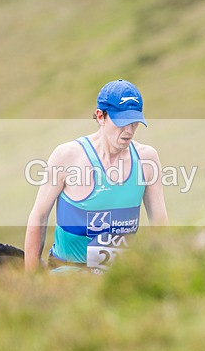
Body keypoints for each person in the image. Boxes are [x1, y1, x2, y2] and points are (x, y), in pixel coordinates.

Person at [24, 79, 168, 274]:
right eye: (122, 122)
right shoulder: (67, 156)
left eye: (135, 123)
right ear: (101, 116)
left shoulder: (146, 159)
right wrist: (31, 280)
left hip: (120, 277)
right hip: (67, 274)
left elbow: (160, 226)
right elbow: (39, 216)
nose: (129, 131)